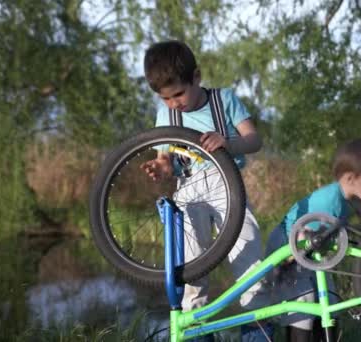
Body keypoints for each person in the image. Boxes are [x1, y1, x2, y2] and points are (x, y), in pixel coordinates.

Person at [140, 40, 272, 341]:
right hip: (189, 189)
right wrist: (161, 168)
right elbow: (166, 159)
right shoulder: (167, 115)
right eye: (166, 98)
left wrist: (229, 142)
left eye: (179, 94)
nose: (175, 103)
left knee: (249, 258)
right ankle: (197, 332)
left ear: (196, 77)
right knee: (192, 269)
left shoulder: (223, 100)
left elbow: (254, 140)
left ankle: (257, 329)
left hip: (229, 186)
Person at [265, 139, 361, 342]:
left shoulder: (344, 201)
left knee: (329, 299)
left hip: (309, 253)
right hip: (288, 247)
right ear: (350, 178)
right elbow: (305, 238)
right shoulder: (330, 200)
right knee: (303, 300)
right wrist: (283, 265)